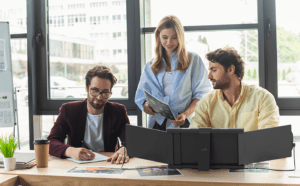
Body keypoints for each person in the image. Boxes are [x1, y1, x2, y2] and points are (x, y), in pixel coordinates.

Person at [135, 15, 211, 130]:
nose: (169, 42)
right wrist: (145, 106)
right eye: (164, 37)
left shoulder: (193, 60)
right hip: (157, 123)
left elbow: (202, 94)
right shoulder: (151, 65)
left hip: (184, 121)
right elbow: (142, 95)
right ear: (158, 37)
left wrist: (185, 114)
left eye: (174, 37)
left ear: (180, 37)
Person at [48, 65, 130, 164]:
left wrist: (125, 149)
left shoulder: (118, 111)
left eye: (105, 92)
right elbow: (51, 142)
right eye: (95, 91)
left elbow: (130, 142)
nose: (99, 97)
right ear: (87, 88)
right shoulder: (69, 110)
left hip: (109, 163)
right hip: (75, 165)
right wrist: (70, 151)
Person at [190, 47, 280, 131]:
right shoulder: (206, 102)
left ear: (230, 69)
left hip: (253, 148)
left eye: (214, 70)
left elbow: (267, 137)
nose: (209, 76)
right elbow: (195, 136)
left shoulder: (262, 98)